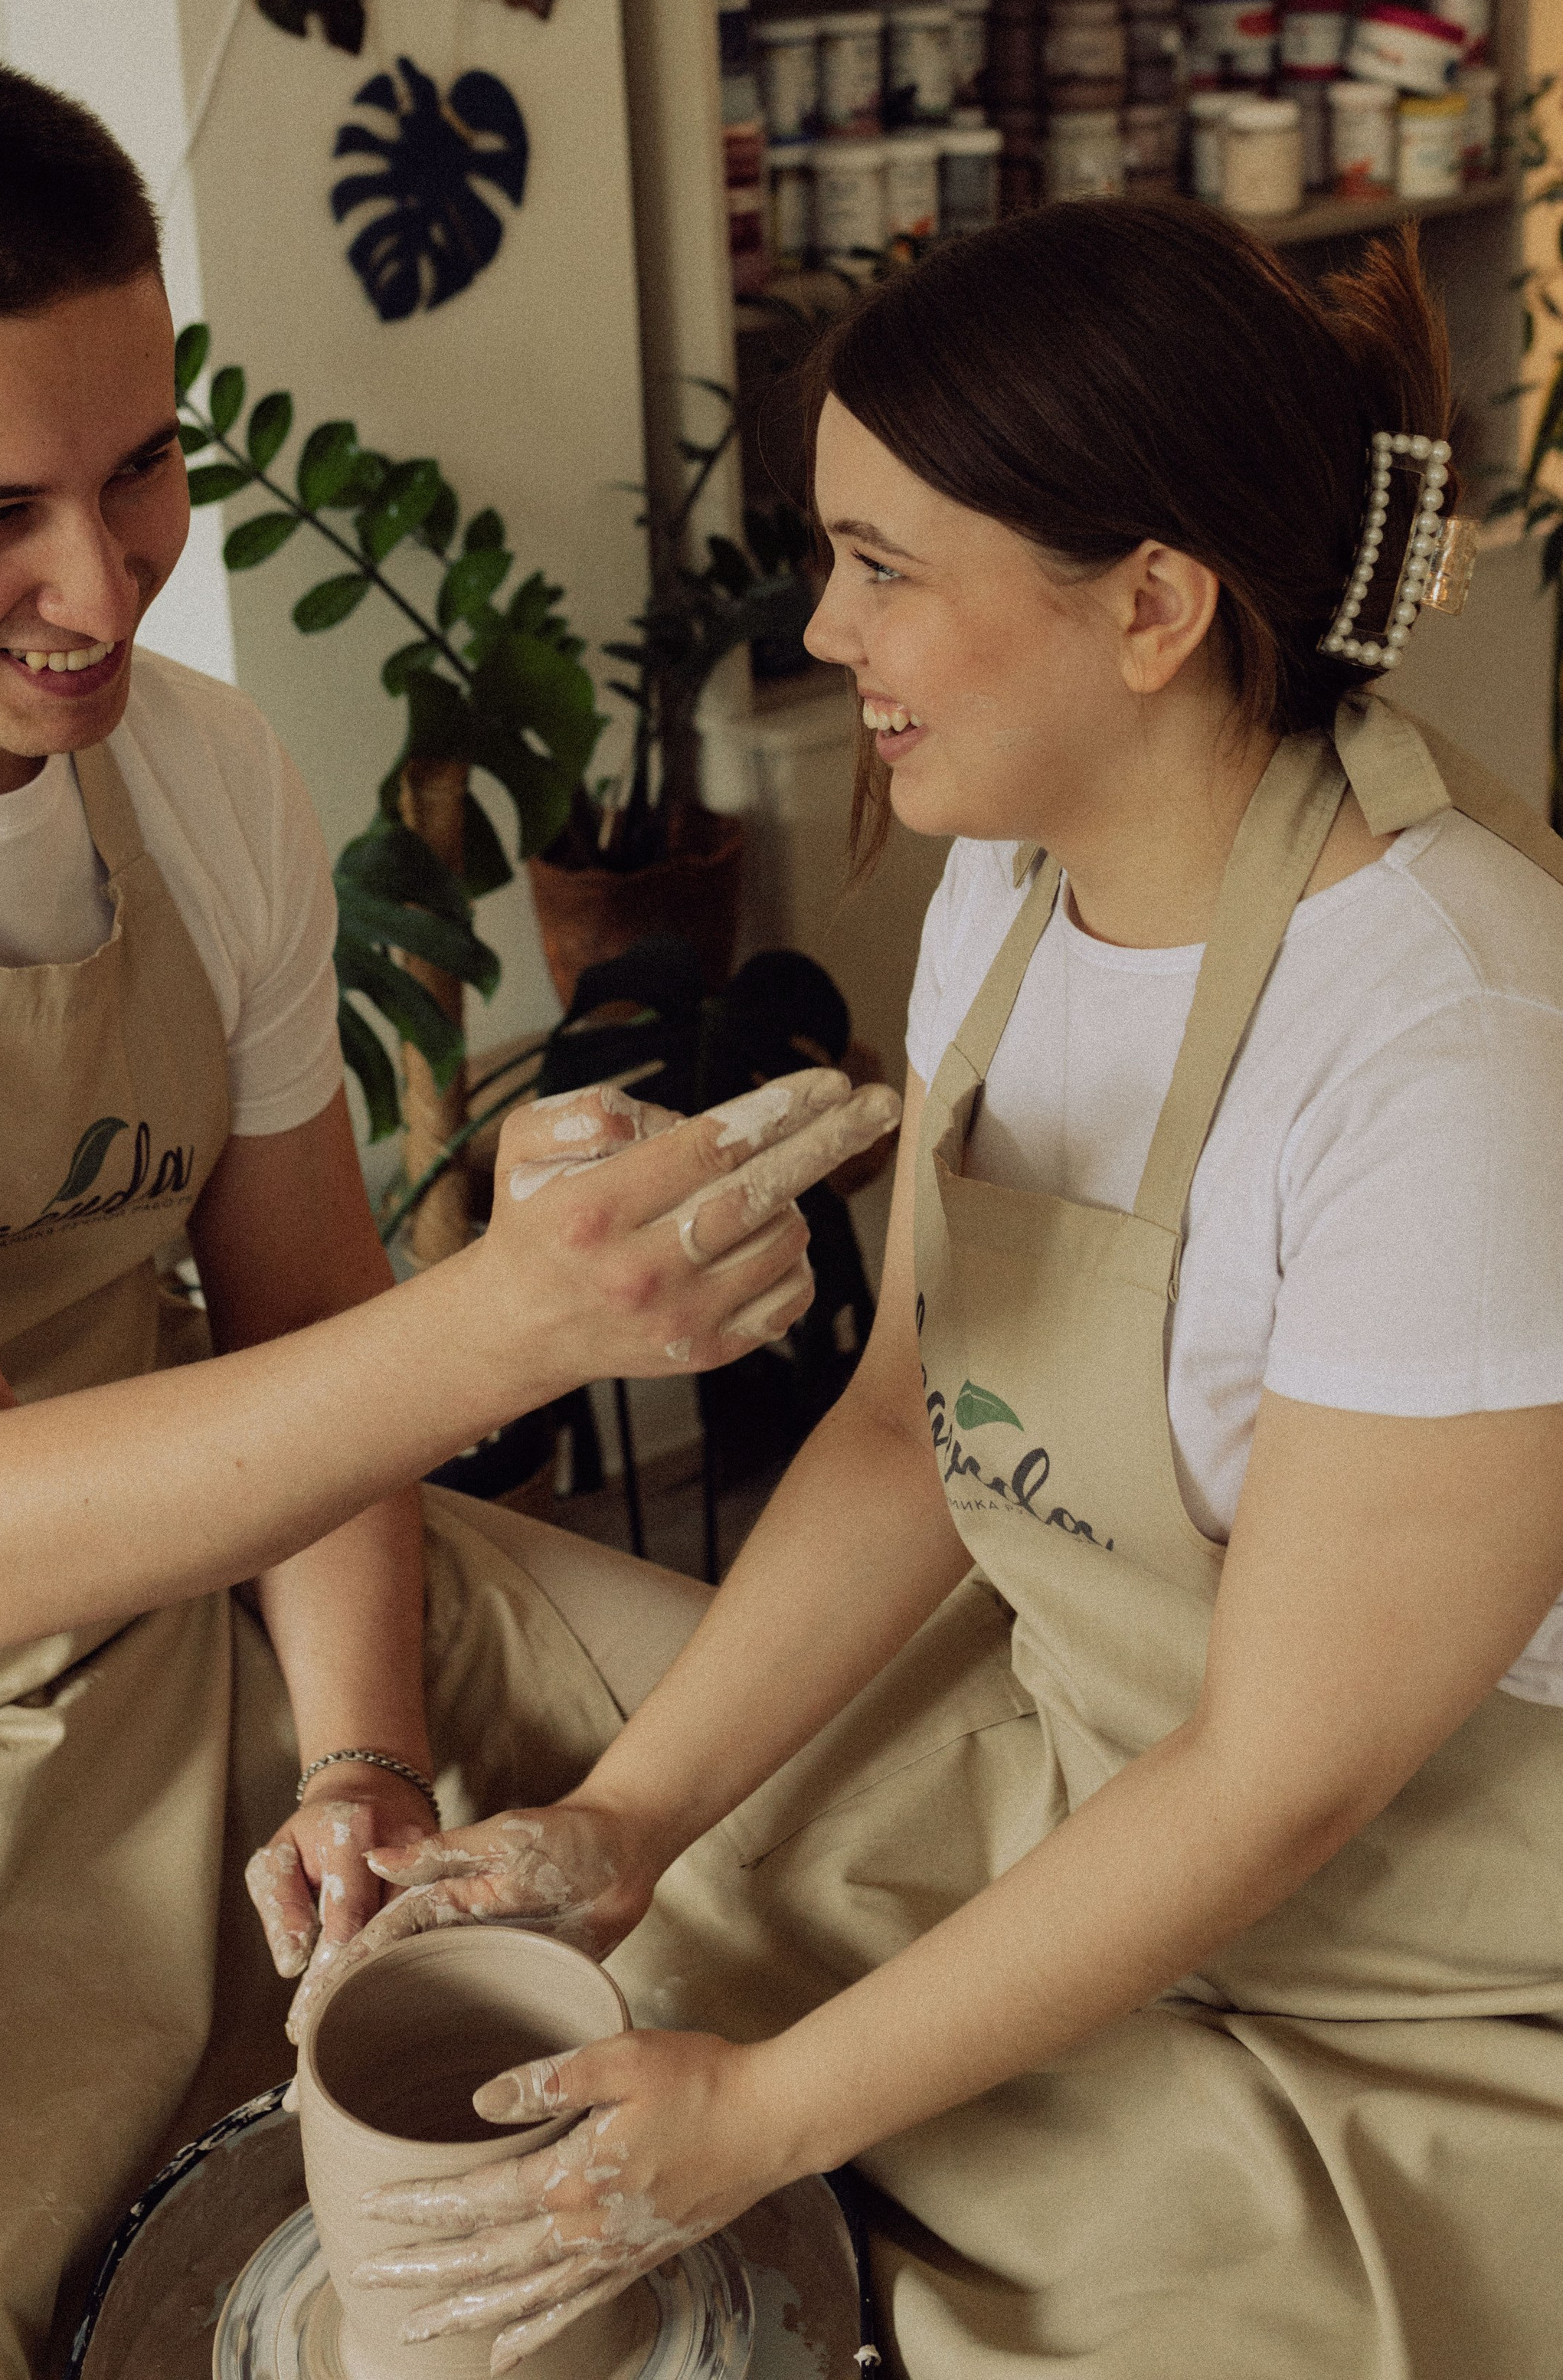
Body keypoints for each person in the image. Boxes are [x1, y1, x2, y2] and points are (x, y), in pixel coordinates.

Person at [0, 42, 898, 2378]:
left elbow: (308, 1326)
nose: (99, 586)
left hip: (199, 1594)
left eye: (141, 467)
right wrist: (525, 1322)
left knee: (870, 1809)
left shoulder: (197, 781)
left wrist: (364, 1770)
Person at [288, 204, 1563, 2380]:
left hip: (1416, 1958)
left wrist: (771, 2117)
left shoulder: (1452, 1047)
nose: (821, 625)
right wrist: (625, 1824)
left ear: (1150, 606)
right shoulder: (1013, 889)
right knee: (583, 1895)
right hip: (1083, 1754)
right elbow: (909, 1419)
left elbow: (1281, 1781)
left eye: (886, 566)